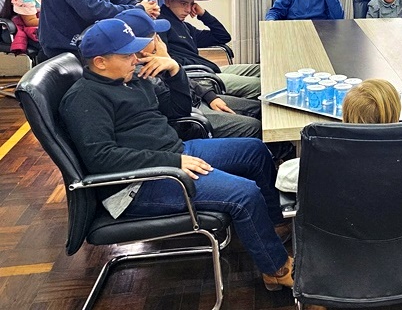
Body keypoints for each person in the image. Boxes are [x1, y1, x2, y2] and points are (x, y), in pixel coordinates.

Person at [61, 19, 294, 291]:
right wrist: (173, 163)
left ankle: (270, 227)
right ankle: (275, 269)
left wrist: (174, 70)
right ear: (100, 62)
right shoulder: (85, 99)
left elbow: (178, 110)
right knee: (244, 194)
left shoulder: (130, 80)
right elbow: (102, 158)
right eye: (127, 56)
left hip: (173, 155)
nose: (136, 59)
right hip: (138, 184)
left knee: (254, 151)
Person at [276, 79, 402, 192]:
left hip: (340, 247)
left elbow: (284, 178)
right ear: (396, 115)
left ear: (345, 116)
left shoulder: (323, 162)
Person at [115, 8, 262, 139]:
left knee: (258, 108)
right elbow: (178, 110)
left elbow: (222, 37)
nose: (159, 40)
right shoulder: (140, 73)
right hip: (192, 115)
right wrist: (171, 64)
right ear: (141, 46)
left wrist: (208, 96)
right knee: (254, 125)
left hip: (199, 96)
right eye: (154, 37)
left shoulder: (159, 55)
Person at [155, 0, 261, 100]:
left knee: (260, 69)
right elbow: (166, 60)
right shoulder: (161, 24)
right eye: (183, 3)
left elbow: (222, 36)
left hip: (209, 70)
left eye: (191, 4)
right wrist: (202, 65)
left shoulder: (184, 26)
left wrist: (203, 14)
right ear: (168, 2)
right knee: (259, 85)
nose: (188, 10)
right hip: (198, 77)